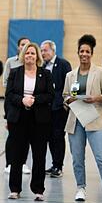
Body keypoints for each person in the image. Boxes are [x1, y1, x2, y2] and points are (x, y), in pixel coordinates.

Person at [63, 34, 102, 203]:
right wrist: (69, 100)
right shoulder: (70, 75)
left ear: (91, 54)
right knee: (77, 157)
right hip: (76, 121)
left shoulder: (100, 72)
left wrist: (95, 98)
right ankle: (81, 187)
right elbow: (65, 96)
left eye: (87, 51)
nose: (84, 54)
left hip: (95, 120)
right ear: (78, 53)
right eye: (82, 51)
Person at [5, 43, 54, 201]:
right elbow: (10, 94)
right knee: (17, 155)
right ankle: (15, 189)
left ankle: (38, 189)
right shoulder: (15, 72)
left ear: (37, 56)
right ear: (23, 56)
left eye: (33, 53)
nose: (30, 56)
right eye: (27, 53)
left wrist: (34, 100)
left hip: (39, 120)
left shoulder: (45, 74)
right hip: (18, 119)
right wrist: (22, 100)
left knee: (39, 155)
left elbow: (50, 95)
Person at [40, 40, 72, 178]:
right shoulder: (42, 66)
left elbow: (72, 83)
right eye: (41, 50)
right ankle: (54, 164)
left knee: (58, 137)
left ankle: (59, 166)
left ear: (53, 51)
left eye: (45, 50)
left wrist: (68, 103)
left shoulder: (63, 64)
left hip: (59, 108)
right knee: (49, 137)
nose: (43, 53)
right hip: (46, 108)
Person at [3, 37, 32, 174]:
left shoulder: (33, 63)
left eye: (27, 45)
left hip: (28, 105)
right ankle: (9, 163)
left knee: (26, 136)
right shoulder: (10, 62)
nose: (24, 47)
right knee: (12, 136)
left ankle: (23, 163)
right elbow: (5, 83)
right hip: (13, 103)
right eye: (22, 45)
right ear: (18, 47)